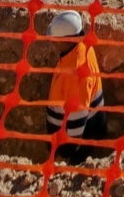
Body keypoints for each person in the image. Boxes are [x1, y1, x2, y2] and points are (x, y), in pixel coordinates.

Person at [44, 10, 106, 164]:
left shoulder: (77, 73)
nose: (51, 41)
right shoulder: (79, 46)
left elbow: (77, 123)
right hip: (82, 125)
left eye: (54, 39)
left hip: (80, 138)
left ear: (66, 40)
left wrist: (64, 153)